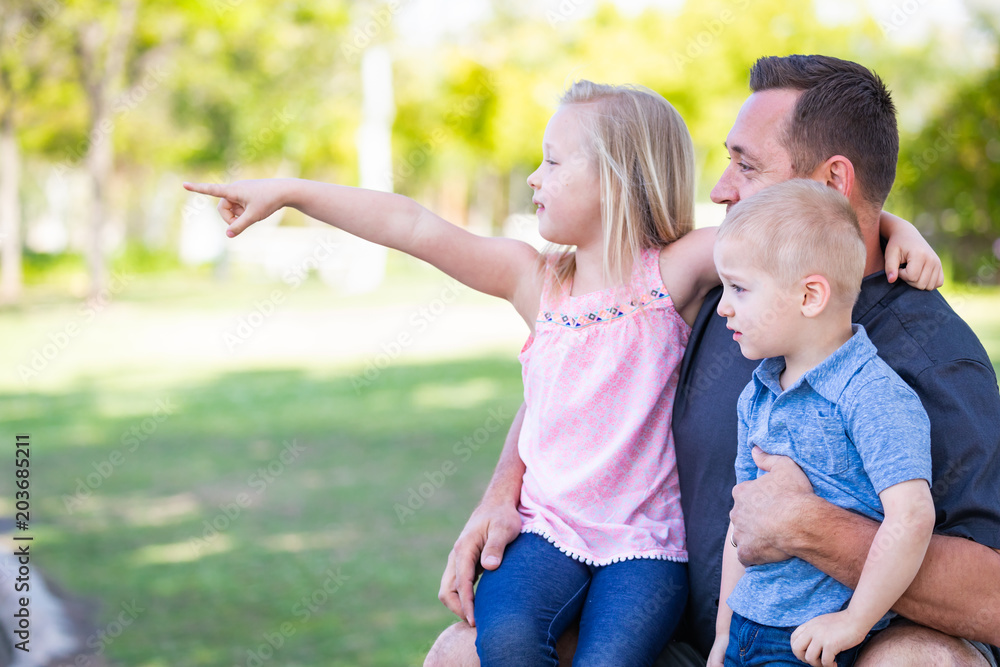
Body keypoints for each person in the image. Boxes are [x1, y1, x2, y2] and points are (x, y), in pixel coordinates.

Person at [428, 55, 1000, 666]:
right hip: (692, 643)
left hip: (822, 650)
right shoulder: (729, 292)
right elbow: (582, 370)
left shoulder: (931, 358)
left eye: (746, 166)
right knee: (461, 652)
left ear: (833, 182)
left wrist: (808, 527)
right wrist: (503, 493)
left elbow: (992, 598)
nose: (719, 189)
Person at [187, 80, 726, 665]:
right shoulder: (535, 281)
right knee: (507, 639)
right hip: (546, 533)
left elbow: (780, 230)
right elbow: (413, 226)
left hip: (646, 547)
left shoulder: (674, 273)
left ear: (618, 178)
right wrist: (292, 192)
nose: (533, 177)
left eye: (552, 162)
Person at [706, 179, 936, 667]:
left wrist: (854, 621)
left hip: (807, 640)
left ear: (810, 296)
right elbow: (742, 519)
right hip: (746, 626)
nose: (723, 305)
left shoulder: (872, 395)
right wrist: (724, 631)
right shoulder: (758, 392)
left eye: (739, 288)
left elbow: (912, 516)